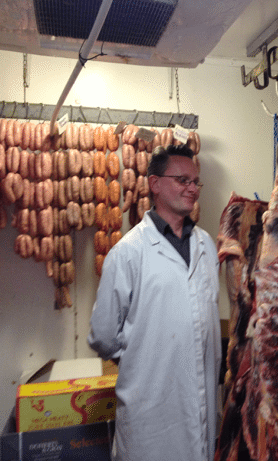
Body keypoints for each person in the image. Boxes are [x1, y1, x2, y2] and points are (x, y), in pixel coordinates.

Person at [88, 144, 221, 461]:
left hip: (201, 409)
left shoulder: (207, 245)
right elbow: (103, 335)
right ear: (154, 183)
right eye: (182, 180)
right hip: (150, 414)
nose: (191, 189)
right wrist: (143, 351)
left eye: (195, 181)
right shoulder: (129, 252)